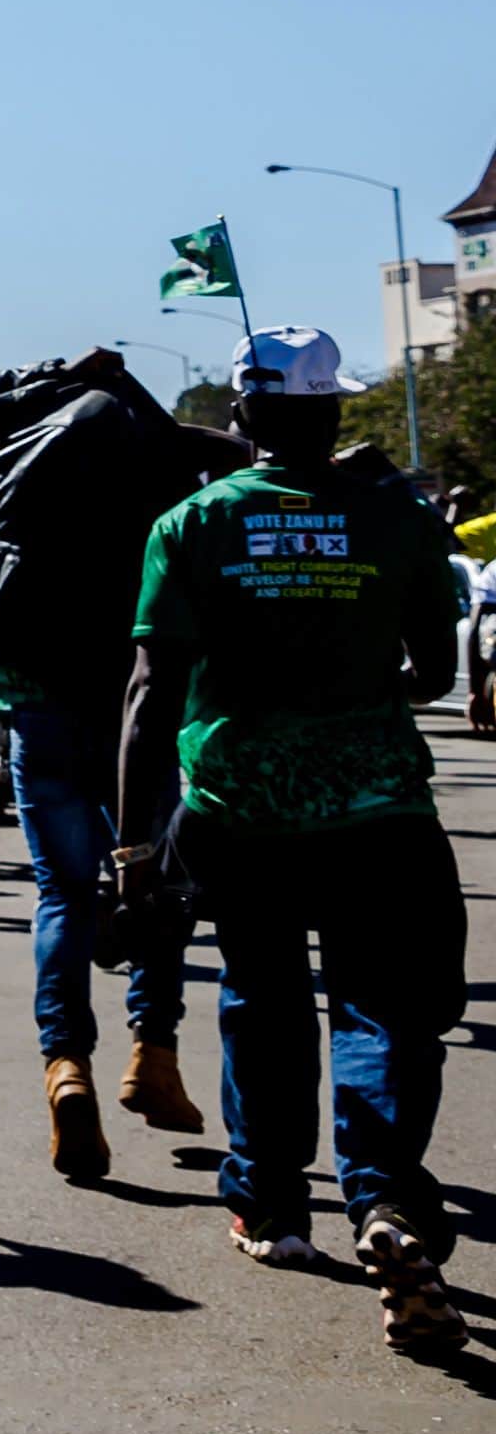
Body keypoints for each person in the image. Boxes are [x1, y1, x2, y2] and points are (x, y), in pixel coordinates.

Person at [119, 329, 468, 1353]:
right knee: (380, 1002)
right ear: (333, 415)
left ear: (240, 418)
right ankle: (385, 1200)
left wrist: (135, 847)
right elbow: (436, 669)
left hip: (240, 807)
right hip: (377, 807)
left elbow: (149, 693)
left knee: (260, 993)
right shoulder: (396, 517)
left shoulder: (190, 522)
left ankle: (269, 1209)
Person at [0, 346, 212, 1180]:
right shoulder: (140, 451)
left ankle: (66, 1067)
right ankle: (154, 1054)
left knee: (61, 892)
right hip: (134, 702)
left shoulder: (4, 461)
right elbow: (190, 454)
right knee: (157, 880)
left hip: (35, 703)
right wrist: (121, 380)